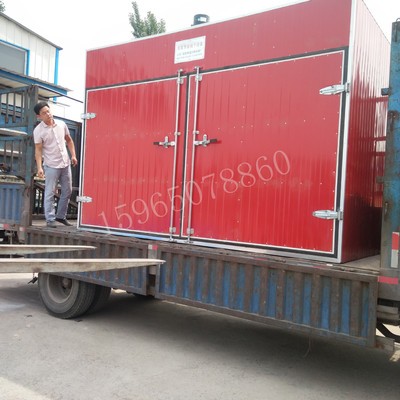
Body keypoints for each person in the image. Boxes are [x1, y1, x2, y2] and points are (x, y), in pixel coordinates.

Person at [33, 101, 78, 228]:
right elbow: (38, 150)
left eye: (48, 111)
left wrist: (73, 155)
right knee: (50, 192)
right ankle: (50, 219)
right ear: (39, 116)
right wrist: (39, 167)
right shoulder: (38, 131)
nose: (48, 114)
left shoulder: (62, 124)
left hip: (65, 163)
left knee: (68, 191)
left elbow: (69, 140)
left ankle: (61, 216)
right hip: (51, 165)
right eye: (44, 113)